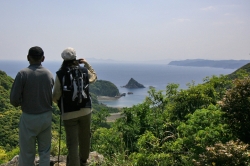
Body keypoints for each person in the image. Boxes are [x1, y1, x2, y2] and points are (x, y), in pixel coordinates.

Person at [10, 46, 54, 166]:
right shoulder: (48, 74)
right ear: (43, 58)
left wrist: (22, 102)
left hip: (29, 116)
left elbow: (13, 99)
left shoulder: (22, 74)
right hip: (46, 116)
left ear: (28, 57)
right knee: (45, 152)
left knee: (27, 153)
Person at [52, 47, 97, 166]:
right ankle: (83, 161)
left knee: (72, 143)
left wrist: (60, 104)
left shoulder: (60, 74)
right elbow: (93, 77)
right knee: (85, 136)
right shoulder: (83, 71)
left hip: (68, 112)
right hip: (86, 109)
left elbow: (55, 95)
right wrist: (87, 64)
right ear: (75, 58)